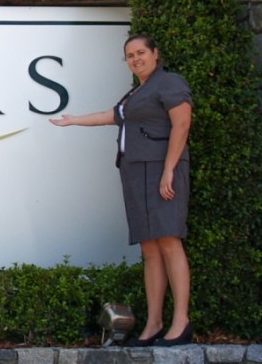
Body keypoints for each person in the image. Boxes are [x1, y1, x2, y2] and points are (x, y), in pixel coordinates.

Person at [50, 34, 193, 347]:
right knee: (150, 250)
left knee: (169, 242)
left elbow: (182, 124)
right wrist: (73, 120)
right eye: (130, 55)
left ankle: (180, 322)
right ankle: (154, 322)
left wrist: (169, 169)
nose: (136, 59)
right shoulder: (136, 93)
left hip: (161, 171)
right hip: (135, 174)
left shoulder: (169, 82)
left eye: (141, 52)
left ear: (156, 53)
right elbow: (111, 116)